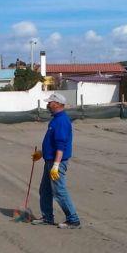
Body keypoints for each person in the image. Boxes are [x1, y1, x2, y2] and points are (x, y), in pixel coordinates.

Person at [31, 92, 81, 229]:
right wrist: (41, 153)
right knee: (45, 190)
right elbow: (52, 144)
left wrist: (56, 165)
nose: (47, 105)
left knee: (59, 190)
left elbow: (61, 145)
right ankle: (47, 217)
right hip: (50, 160)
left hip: (56, 162)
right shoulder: (55, 120)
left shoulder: (61, 121)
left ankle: (73, 219)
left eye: (50, 102)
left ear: (57, 104)